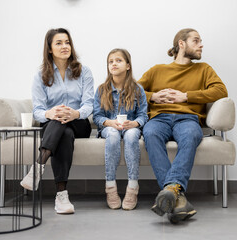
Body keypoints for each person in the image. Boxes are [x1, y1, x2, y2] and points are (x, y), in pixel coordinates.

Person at [138, 28, 228, 223]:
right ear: (181, 44)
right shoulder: (157, 70)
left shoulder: (204, 69)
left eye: (200, 41)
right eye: (196, 41)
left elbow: (221, 91)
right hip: (159, 119)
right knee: (150, 134)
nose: (201, 44)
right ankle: (177, 197)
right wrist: (152, 96)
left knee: (191, 135)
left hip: (188, 118)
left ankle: (171, 191)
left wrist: (186, 96)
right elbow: (132, 92)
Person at [20, 28, 94, 214]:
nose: (64, 46)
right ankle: (62, 196)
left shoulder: (84, 71)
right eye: (59, 43)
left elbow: (89, 104)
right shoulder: (40, 76)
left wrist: (74, 113)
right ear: (50, 48)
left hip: (79, 123)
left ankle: (38, 166)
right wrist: (50, 113)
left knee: (67, 124)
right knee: (64, 132)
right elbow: (37, 111)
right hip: (54, 125)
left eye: (67, 42)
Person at [93, 48, 148, 210]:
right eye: (111, 62)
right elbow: (97, 117)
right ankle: (110, 187)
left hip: (130, 127)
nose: (114, 64)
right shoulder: (102, 89)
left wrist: (135, 123)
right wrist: (109, 123)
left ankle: (132, 187)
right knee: (112, 134)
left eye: (118, 60)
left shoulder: (138, 90)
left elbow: (143, 116)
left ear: (128, 65)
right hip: (110, 128)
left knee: (131, 136)